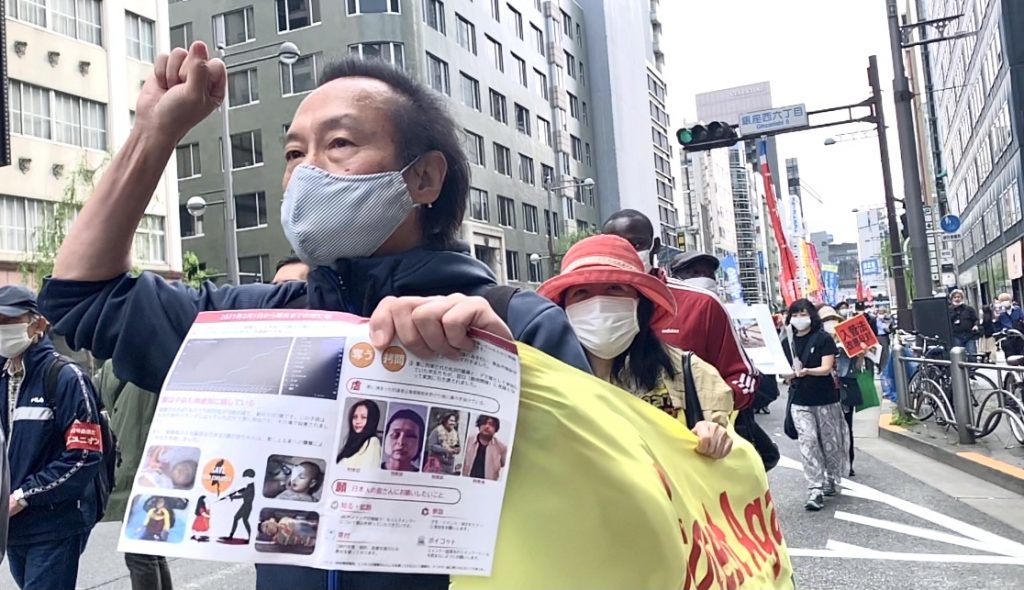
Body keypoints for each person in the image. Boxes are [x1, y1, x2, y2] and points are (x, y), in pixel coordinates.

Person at [39, 43, 591, 590]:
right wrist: (153, 132)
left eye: (339, 143)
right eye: (294, 154)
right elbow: (84, 296)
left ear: (424, 178)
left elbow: (602, 510)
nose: (306, 173)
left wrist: (514, 374)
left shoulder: (516, 325)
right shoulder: (258, 324)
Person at [538, 235, 734, 458]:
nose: (599, 303)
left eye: (614, 288)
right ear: (565, 307)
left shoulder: (689, 371)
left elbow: (728, 443)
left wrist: (714, 436)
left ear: (641, 303)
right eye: (581, 292)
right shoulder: (543, 377)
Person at [0, 286, 105, 590]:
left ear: (39, 324)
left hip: (54, 524)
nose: (2, 330)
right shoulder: (4, 377)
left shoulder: (66, 377)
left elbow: (84, 456)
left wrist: (24, 496)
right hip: (13, 527)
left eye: (9, 321)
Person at [601, 210, 758, 410]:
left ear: (655, 246)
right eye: (617, 246)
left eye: (636, 244)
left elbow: (741, 376)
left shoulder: (701, 304)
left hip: (689, 437)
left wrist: (707, 414)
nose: (627, 253)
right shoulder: (587, 307)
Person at [98, 360, 177, 590]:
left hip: (145, 471)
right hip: (143, 469)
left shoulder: (123, 365)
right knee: (149, 553)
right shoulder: (118, 365)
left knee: (140, 556)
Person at [783, 299, 849, 511]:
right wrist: (787, 375)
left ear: (812, 316)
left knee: (829, 441)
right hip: (800, 400)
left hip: (825, 399)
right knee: (808, 440)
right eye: (795, 314)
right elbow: (783, 372)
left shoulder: (823, 339)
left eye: (803, 314)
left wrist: (807, 371)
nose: (799, 318)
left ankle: (832, 477)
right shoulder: (787, 343)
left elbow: (826, 367)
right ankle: (815, 487)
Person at [820, 306, 859, 477]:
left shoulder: (847, 341)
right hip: (824, 390)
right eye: (826, 320)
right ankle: (829, 465)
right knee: (827, 429)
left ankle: (848, 463)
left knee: (846, 428)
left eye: (833, 319)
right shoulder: (818, 341)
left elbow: (856, 368)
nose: (831, 323)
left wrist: (862, 354)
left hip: (844, 389)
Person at [336, 400, 382, 469]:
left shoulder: (373, 442)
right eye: (355, 417)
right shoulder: (351, 442)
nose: (357, 421)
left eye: (363, 417)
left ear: (372, 420)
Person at [463, 416, 507, 481]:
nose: (487, 426)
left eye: (491, 424)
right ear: (479, 425)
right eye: (484, 423)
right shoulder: (468, 440)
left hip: (488, 486)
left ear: (496, 429)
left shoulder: (501, 447)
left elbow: (503, 464)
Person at [221, 469, 256, 543]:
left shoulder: (251, 487)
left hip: (247, 505)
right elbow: (242, 492)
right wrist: (233, 493)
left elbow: (244, 496)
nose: (244, 479)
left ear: (250, 478)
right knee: (241, 520)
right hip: (246, 505)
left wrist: (231, 497)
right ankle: (247, 537)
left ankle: (248, 537)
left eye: (246, 478)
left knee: (241, 520)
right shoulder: (249, 486)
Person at [949, 289, 980, 355]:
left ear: (962, 298)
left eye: (959, 297)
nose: (957, 299)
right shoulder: (949, 310)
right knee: (958, 356)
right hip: (956, 336)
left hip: (969, 336)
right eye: (955, 297)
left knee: (972, 355)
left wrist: (975, 325)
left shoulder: (969, 309)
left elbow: (976, 319)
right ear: (952, 299)